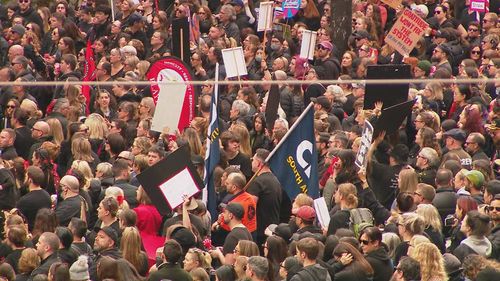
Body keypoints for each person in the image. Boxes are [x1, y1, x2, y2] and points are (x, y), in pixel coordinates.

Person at [247, 148, 283, 245]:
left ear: (258, 163)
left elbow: (250, 208)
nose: (251, 162)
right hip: (271, 229)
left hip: (258, 232)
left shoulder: (257, 183)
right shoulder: (276, 180)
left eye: (253, 160)